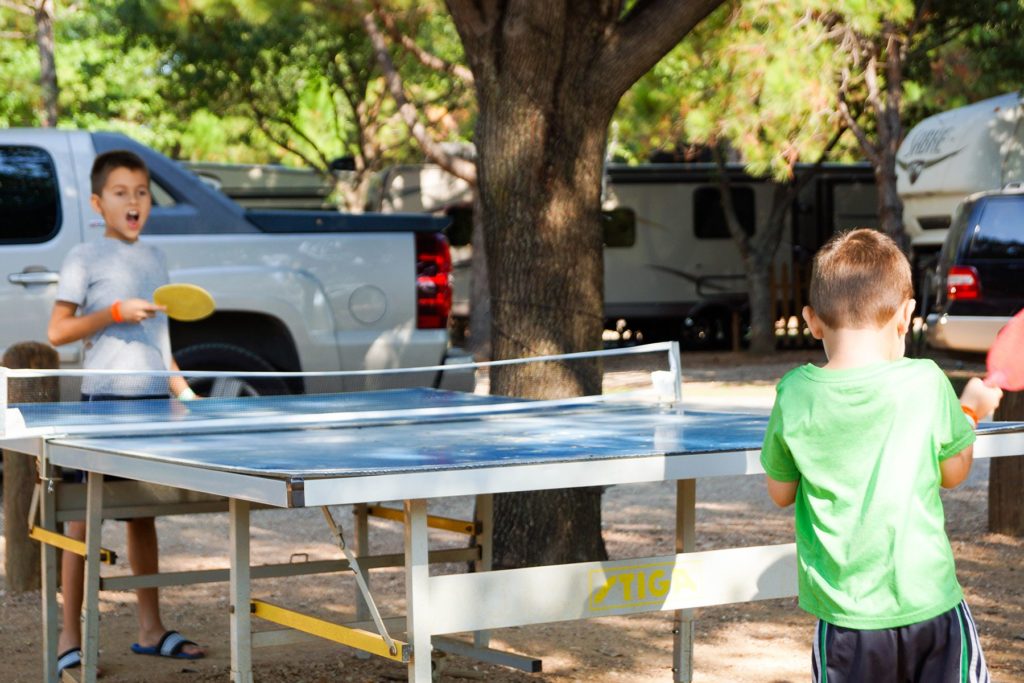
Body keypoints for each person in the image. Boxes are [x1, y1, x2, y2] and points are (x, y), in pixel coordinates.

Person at [760, 228, 1002, 683]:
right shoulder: (926, 381)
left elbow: (779, 492)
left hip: (847, 622)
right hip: (932, 608)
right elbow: (954, 473)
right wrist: (971, 409)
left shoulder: (794, 393)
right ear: (905, 316)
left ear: (812, 321)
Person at [47, 150, 206, 675]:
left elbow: (161, 342)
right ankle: (70, 634)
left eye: (141, 192)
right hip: (103, 407)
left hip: (152, 407)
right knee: (79, 523)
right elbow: (57, 331)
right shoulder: (84, 258)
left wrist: (183, 393)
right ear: (98, 203)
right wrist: (113, 312)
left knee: (143, 516)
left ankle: (150, 629)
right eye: (120, 192)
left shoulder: (157, 259)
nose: (133, 201)